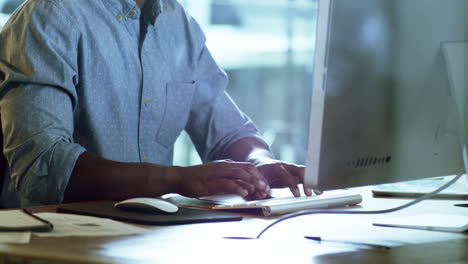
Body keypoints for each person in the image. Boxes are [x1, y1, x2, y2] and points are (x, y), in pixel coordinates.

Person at [0, 0, 312, 208]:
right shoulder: (50, 18)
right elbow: (41, 169)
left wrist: (259, 165)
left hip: (146, 240)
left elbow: (229, 133)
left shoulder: (178, 24)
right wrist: (177, 179)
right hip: (55, 244)